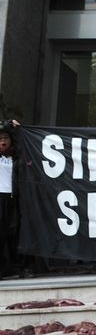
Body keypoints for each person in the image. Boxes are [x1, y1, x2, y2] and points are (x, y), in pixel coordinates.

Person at [0, 119, 19, 278]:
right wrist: (6, 122)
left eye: (6, 138)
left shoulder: (15, 157)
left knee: (11, 232)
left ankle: (11, 265)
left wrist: (13, 127)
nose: (3, 141)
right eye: (0, 139)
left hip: (11, 197)